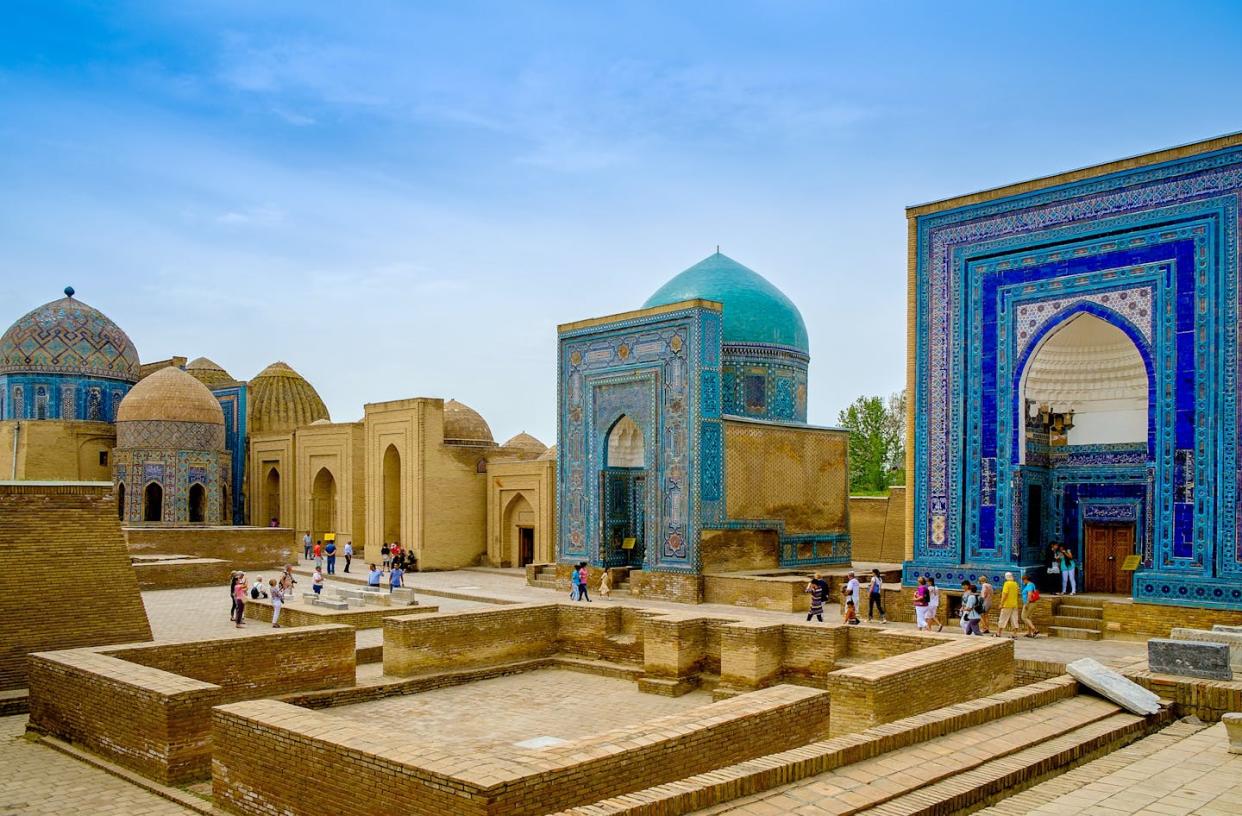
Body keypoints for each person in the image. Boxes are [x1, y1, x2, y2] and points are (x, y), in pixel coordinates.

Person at [997, 571, 1021, 638]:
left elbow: (1005, 594)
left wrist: (1001, 603)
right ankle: (1015, 634)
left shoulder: (1006, 584)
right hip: (1014, 604)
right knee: (1014, 619)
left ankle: (998, 633)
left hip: (1007, 604)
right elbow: (1018, 594)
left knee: (1003, 618)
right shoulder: (1015, 584)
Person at [1021, 573, 1041, 638]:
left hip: (1029, 603)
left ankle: (1034, 630)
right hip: (1032, 603)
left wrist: (1026, 604)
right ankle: (1029, 633)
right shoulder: (1032, 584)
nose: (1023, 581)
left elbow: (1029, 595)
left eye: (1023, 580)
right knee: (1028, 617)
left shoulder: (1029, 585)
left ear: (1026, 579)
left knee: (1024, 617)